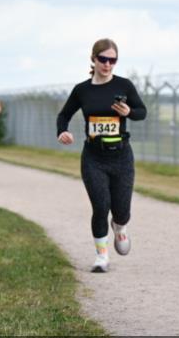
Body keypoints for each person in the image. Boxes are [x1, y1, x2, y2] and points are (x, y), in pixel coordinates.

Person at [56, 38, 147, 273]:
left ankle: (120, 226)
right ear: (93, 59)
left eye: (112, 60)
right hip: (93, 157)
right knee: (100, 205)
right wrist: (62, 132)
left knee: (121, 209)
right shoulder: (82, 90)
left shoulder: (124, 86)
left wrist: (129, 111)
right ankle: (102, 256)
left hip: (121, 156)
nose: (107, 64)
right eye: (103, 59)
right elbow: (63, 115)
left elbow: (141, 112)